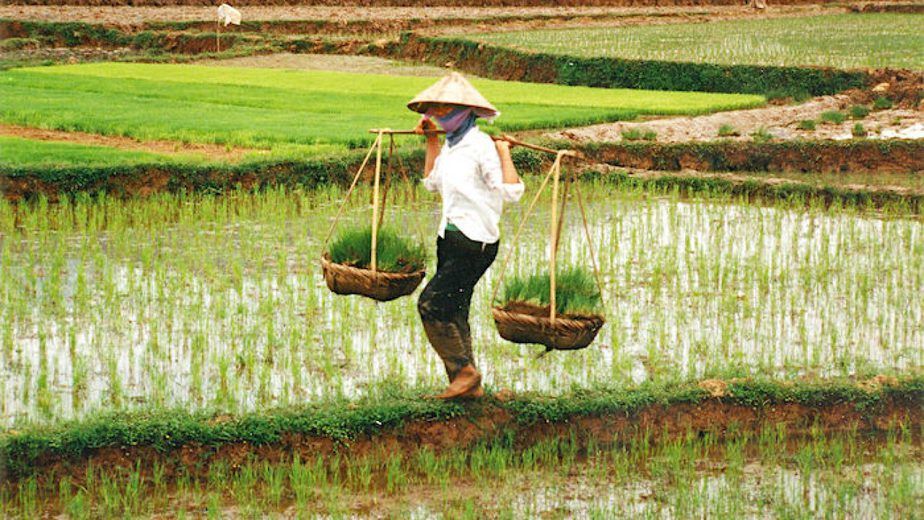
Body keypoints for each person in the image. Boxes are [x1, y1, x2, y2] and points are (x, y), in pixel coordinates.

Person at [408, 72, 525, 399]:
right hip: (449, 238)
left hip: (475, 242)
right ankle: (466, 387)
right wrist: (431, 141)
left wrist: (503, 153)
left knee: (430, 305)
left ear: (465, 111)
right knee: (454, 310)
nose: (439, 115)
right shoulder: (449, 146)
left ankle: (464, 373)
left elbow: (512, 191)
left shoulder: (480, 146)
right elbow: (432, 182)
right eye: (436, 109)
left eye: (446, 109)